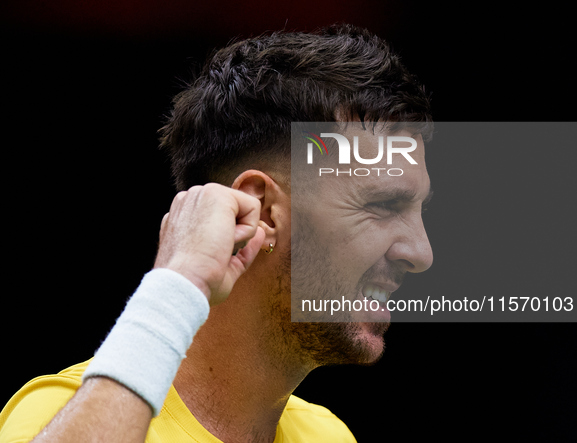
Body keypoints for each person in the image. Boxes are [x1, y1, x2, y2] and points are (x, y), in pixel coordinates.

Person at [0, 24, 433, 443]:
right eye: (382, 205)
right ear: (261, 209)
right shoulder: (60, 413)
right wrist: (179, 282)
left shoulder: (329, 435)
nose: (421, 252)